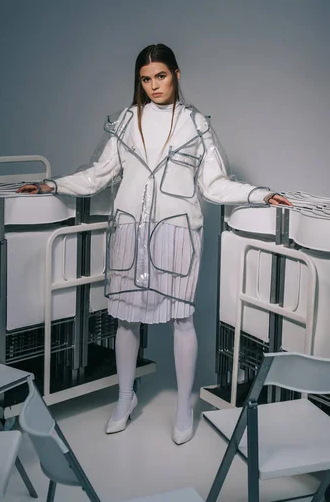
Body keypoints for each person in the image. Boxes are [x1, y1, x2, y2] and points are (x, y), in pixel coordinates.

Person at [17, 44, 291, 445]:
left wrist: (259, 195)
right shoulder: (127, 120)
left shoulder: (196, 125)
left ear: (176, 74)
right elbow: (97, 175)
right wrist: (51, 185)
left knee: (182, 317)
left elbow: (214, 184)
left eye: (160, 76)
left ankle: (184, 406)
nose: (153, 85)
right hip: (130, 230)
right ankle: (124, 398)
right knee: (125, 318)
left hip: (177, 233)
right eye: (145, 79)